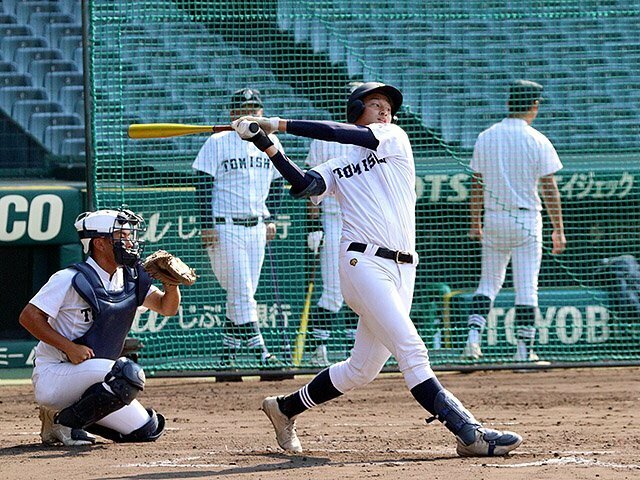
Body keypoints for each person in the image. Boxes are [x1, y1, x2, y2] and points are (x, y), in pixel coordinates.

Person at [231, 81, 523, 457]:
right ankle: (469, 433)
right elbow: (305, 185)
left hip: (404, 269)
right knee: (412, 350)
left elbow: (339, 132)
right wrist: (266, 145)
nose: (386, 110)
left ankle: (284, 408)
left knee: (362, 368)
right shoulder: (337, 163)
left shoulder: (393, 137)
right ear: (357, 108)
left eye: (388, 105)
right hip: (360, 261)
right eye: (375, 103)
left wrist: (276, 124)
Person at [19, 208, 178, 446]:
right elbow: (28, 317)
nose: (129, 242)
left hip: (98, 376)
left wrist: (171, 284)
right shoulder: (68, 278)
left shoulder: (130, 277)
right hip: (55, 374)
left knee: (146, 429)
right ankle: (65, 423)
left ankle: (61, 417)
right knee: (127, 374)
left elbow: (167, 308)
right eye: (121, 236)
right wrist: (69, 347)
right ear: (99, 244)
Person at [461, 80, 566, 363]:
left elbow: (476, 184)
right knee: (526, 286)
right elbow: (550, 188)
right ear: (533, 106)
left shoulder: (486, 136)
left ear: (509, 103)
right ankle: (523, 352)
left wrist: (475, 223)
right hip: (527, 219)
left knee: (487, 284)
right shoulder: (537, 139)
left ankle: (472, 341)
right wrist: (559, 228)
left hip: (494, 217)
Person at [193, 88, 285, 367]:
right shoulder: (218, 141)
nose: (251, 112)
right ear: (232, 114)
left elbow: (280, 181)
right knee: (242, 290)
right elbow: (202, 185)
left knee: (242, 292)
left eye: (256, 108)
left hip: (257, 226)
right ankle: (262, 352)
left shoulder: (271, 140)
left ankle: (227, 356)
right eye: (244, 108)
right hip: (225, 226)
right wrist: (206, 225)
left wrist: (271, 218)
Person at [304, 138, 359, 366]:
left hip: (362, 221)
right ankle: (318, 349)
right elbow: (310, 184)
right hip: (332, 219)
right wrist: (313, 226)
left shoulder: (372, 136)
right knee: (334, 292)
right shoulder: (322, 138)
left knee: (359, 291)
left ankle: (355, 352)